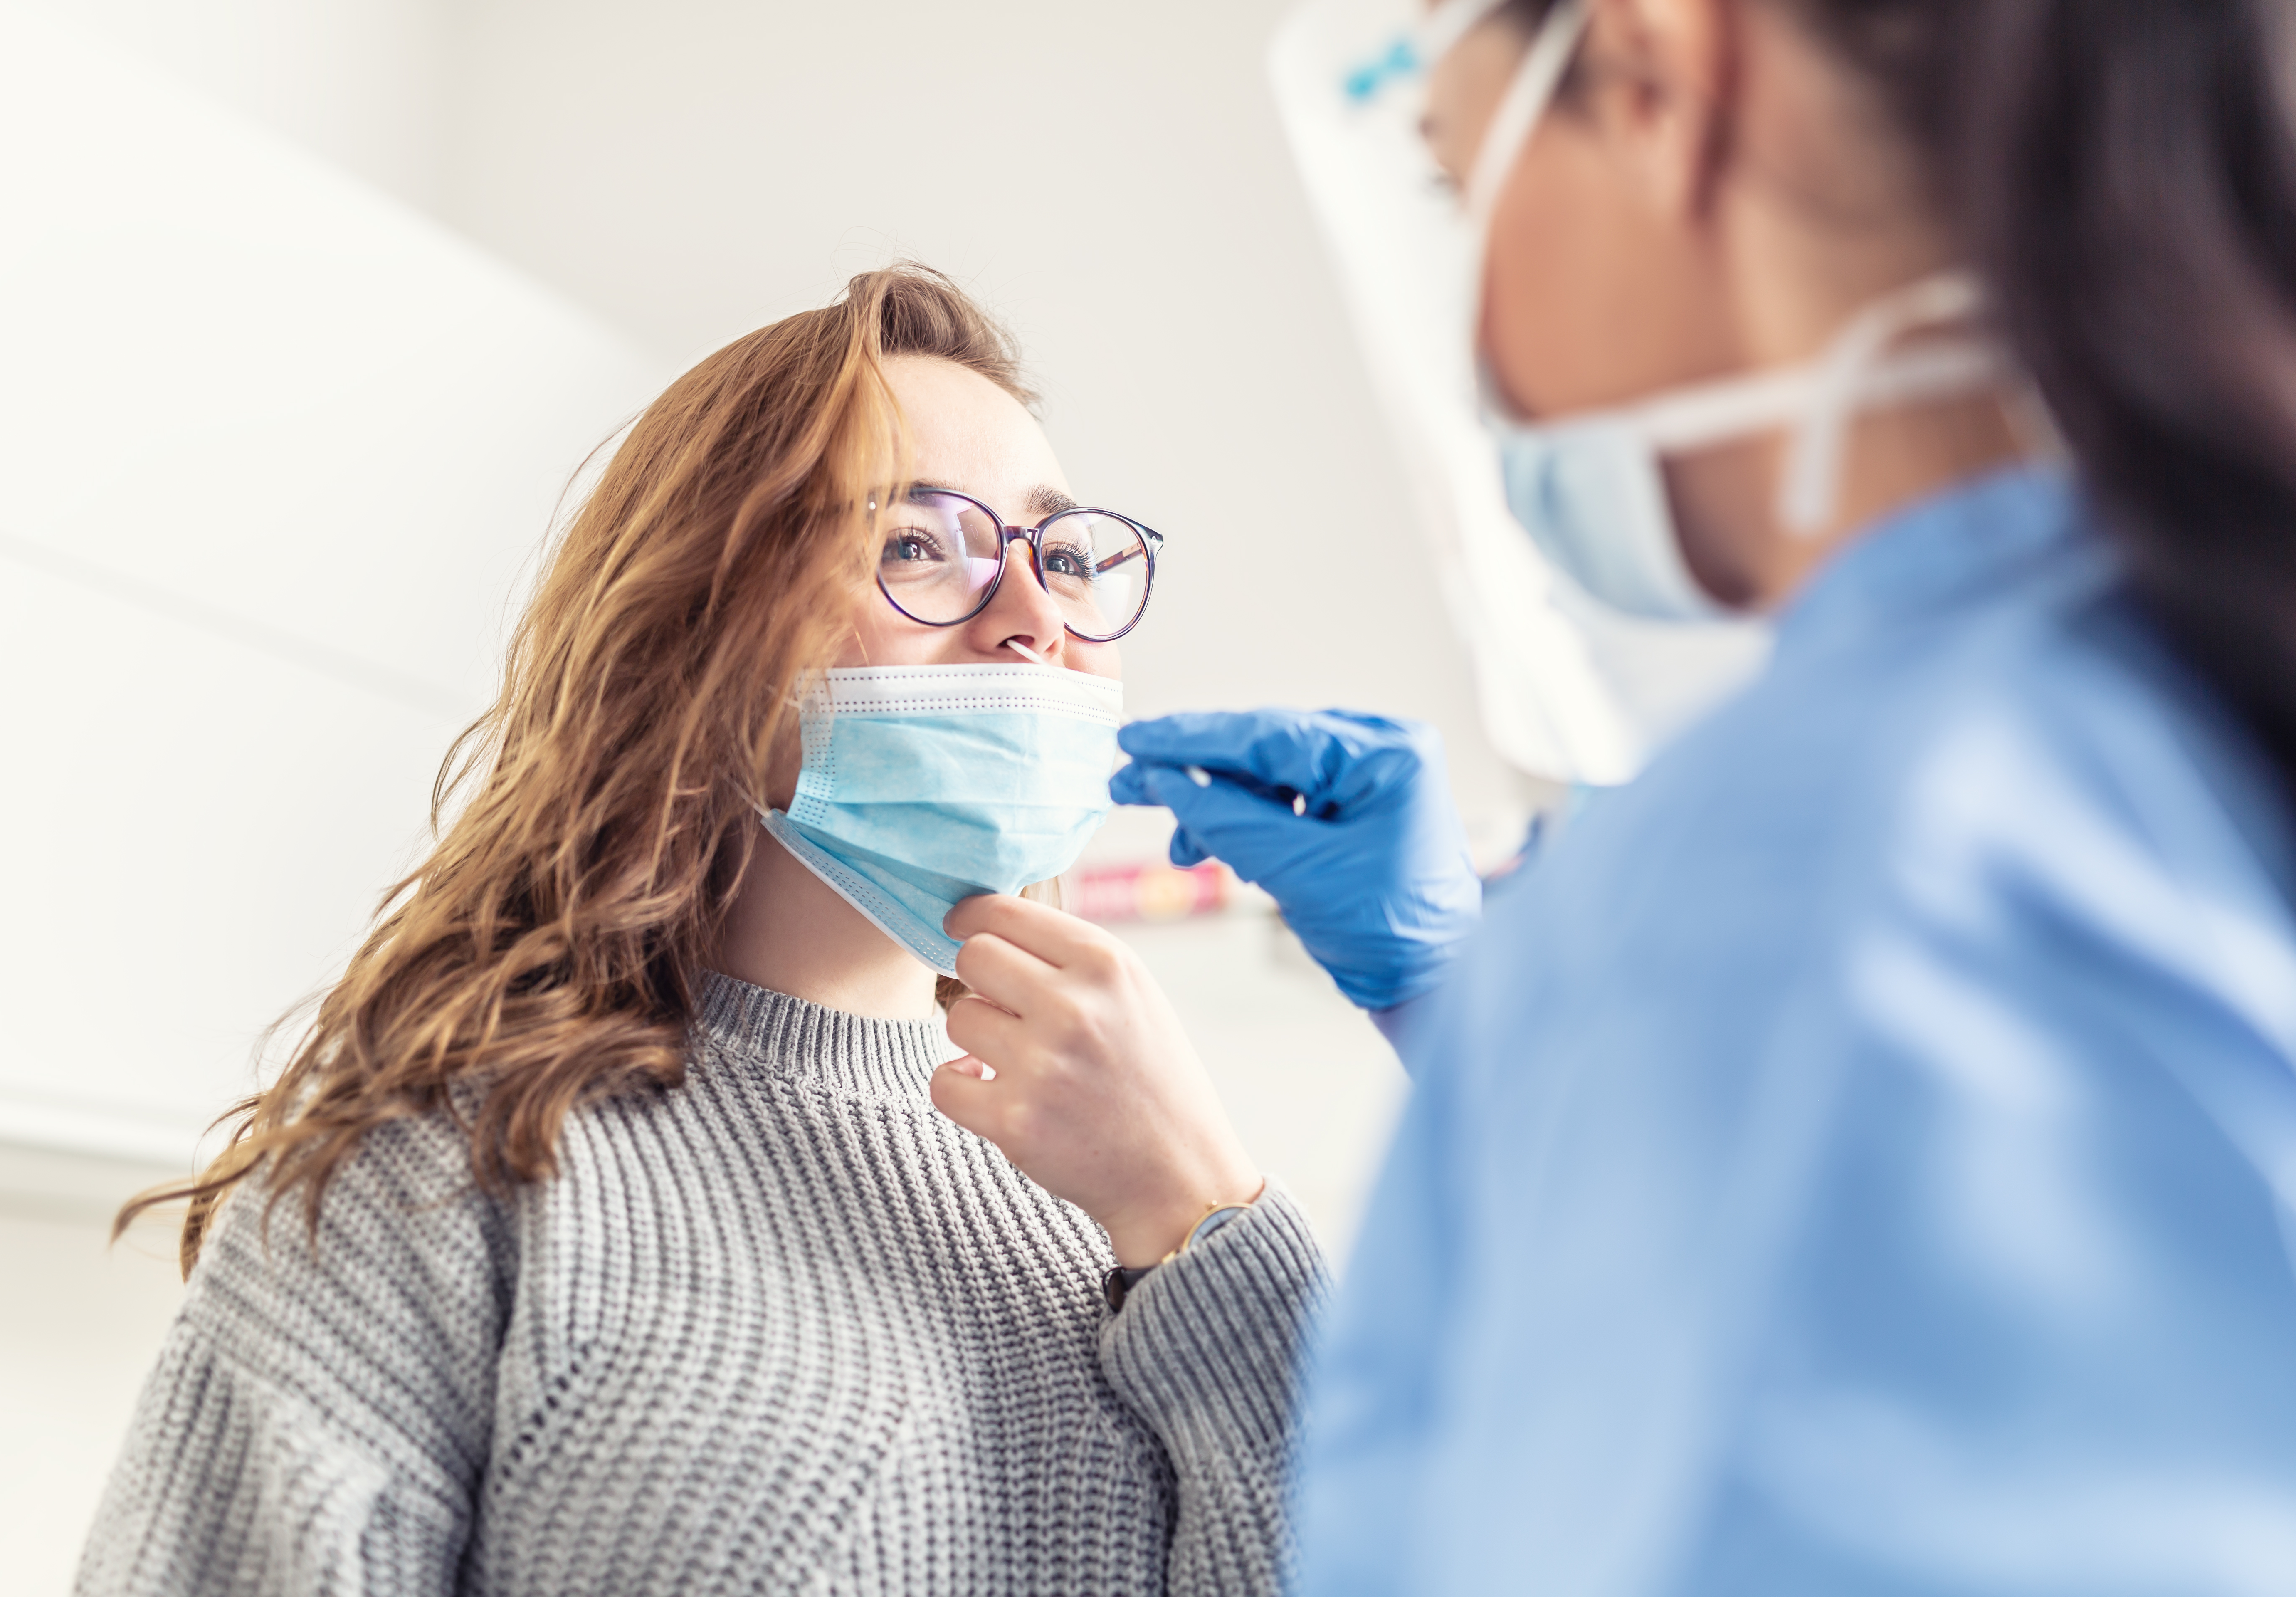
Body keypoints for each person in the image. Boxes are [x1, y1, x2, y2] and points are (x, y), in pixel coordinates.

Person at [962, 0, 2296, 1590]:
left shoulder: (1792, 876)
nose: (1480, 355)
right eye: (917, 548)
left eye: (1461, 193)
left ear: (1667, 78)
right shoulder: (2151, 705)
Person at [79, 266, 1323, 1597]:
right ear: (701, 632)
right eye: (915, 546)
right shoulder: (454, 1173)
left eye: (1063, 556)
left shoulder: (1134, 1179)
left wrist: (1206, 1222)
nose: (1035, 618)